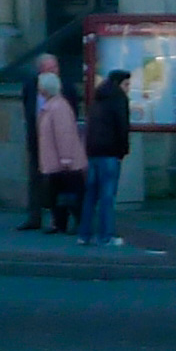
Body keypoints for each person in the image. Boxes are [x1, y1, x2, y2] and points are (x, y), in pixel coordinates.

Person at [19, 53, 78, 231]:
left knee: (57, 181)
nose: (54, 71)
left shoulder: (66, 87)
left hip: (57, 142)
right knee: (35, 179)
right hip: (36, 139)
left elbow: (72, 114)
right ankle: (34, 217)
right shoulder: (30, 86)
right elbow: (28, 110)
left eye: (55, 67)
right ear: (41, 70)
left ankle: (58, 219)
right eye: (50, 68)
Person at [79, 69, 130, 246]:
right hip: (110, 152)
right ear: (118, 84)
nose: (128, 88)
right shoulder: (119, 99)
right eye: (126, 84)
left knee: (91, 195)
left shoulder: (98, 99)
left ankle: (84, 234)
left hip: (93, 152)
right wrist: (122, 151)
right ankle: (106, 236)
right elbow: (122, 128)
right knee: (108, 196)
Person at [36, 71, 87, 235]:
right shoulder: (51, 106)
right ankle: (59, 223)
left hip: (64, 161)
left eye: (40, 86)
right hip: (54, 160)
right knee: (57, 194)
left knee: (71, 194)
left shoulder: (59, 107)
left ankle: (78, 223)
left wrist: (66, 158)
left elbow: (64, 134)